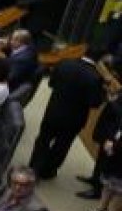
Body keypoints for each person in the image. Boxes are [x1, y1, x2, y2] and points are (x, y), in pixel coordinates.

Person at [29, 50, 106, 179]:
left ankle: (34, 167)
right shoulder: (95, 77)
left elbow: (51, 83)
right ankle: (48, 171)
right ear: (99, 60)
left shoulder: (64, 63)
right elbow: (94, 103)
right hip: (74, 120)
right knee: (62, 145)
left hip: (53, 111)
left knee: (43, 139)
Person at [82, 120, 122, 211]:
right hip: (115, 157)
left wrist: (114, 146)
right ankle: (101, 209)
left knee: (119, 191)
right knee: (108, 185)